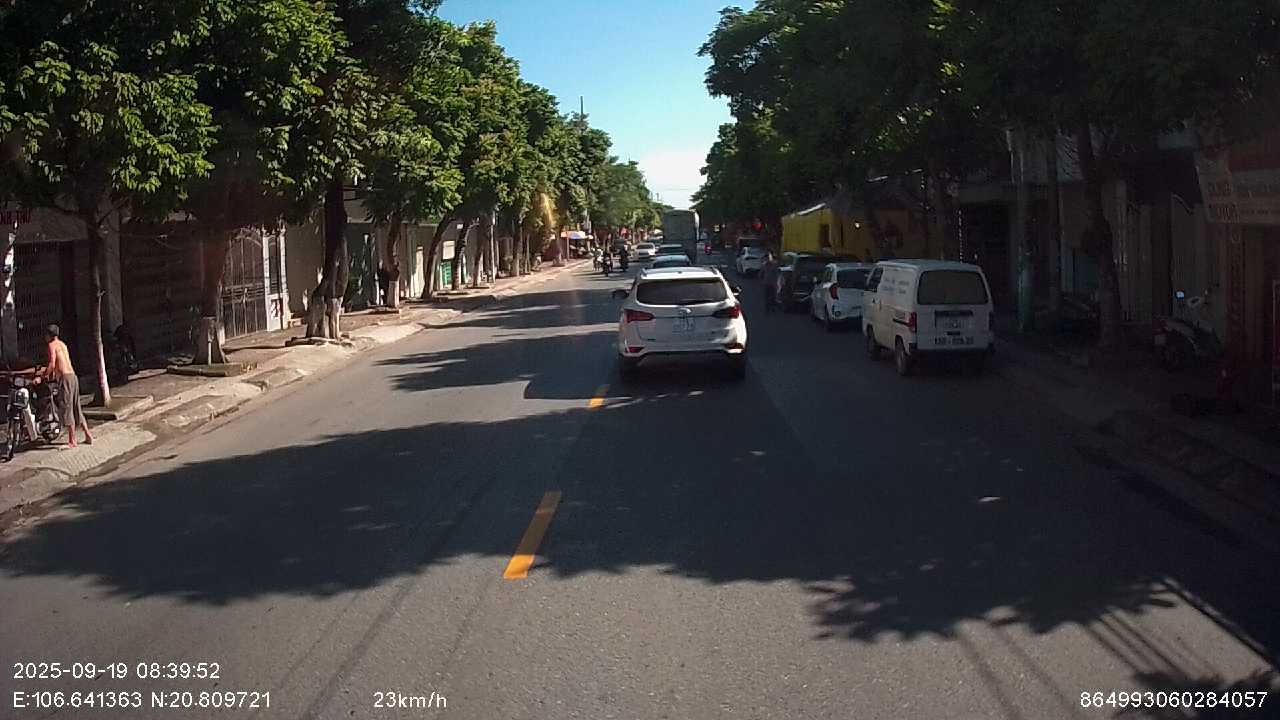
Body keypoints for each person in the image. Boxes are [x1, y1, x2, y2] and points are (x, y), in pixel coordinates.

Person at [42, 324, 92, 447]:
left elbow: (52, 363)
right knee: (76, 407)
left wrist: (44, 375)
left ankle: (72, 440)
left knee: (67, 407)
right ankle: (87, 434)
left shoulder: (52, 345)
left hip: (65, 378)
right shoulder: (62, 344)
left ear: (49, 335)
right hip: (73, 376)